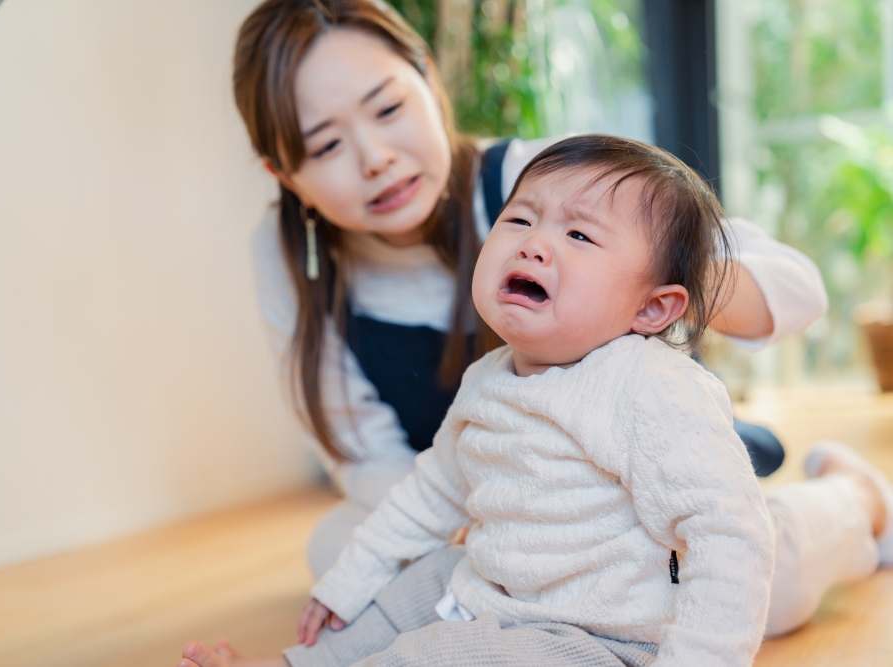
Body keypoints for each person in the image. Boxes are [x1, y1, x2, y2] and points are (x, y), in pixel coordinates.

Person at [226, 0, 881, 640]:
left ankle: (853, 499)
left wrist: (644, 272)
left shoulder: (543, 186)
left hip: (630, 486)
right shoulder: (289, 257)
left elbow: (799, 288)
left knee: (750, 590)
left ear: (429, 78)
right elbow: (365, 452)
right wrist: (496, 517)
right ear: (283, 173)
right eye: (326, 145)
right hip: (481, 499)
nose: (375, 157)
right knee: (339, 552)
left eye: (388, 108)